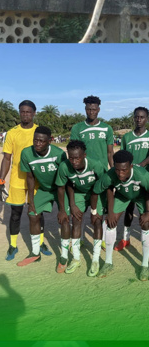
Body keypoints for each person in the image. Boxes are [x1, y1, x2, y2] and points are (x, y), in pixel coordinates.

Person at [0, 100, 49, 261]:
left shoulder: (39, 132)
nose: (25, 114)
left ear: (34, 113)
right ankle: (13, 245)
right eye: (22, 112)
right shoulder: (12, 133)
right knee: (15, 214)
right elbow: (7, 158)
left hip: (37, 180)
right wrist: (0, 180)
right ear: (19, 113)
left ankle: (40, 243)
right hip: (18, 180)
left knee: (37, 213)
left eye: (28, 112)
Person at [17, 126, 69, 269]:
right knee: (32, 214)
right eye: (35, 140)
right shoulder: (27, 153)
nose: (37, 144)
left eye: (41, 141)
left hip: (60, 189)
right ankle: (35, 253)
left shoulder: (59, 154)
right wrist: (31, 202)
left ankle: (64, 255)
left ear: (50, 141)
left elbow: (66, 179)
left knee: (64, 218)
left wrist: (63, 208)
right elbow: (30, 178)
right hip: (45, 189)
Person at [93, 150, 149, 280]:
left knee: (146, 224)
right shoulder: (111, 174)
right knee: (109, 223)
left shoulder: (143, 175)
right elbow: (99, 189)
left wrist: (147, 212)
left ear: (131, 166)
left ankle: (145, 265)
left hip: (141, 196)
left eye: (124, 170)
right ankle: (108, 263)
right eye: (117, 170)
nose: (120, 173)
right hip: (122, 196)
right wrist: (110, 212)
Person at [55, 140, 104, 276]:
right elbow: (62, 187)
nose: (74, 161)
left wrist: (95, 210)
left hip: (96, 193)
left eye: (77, 158)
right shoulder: (65, 166)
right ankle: (76, 258)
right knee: (76, 221)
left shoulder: (96, 165)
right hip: (79, 194)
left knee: (97, 221)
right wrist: (69, 206)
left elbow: (103, 184)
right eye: (71, 158)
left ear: (84, 156)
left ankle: (95, 260)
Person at [117, 107, 149, 252]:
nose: (139, 120)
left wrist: (141, 165)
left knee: (145, 213)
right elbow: (122, 155)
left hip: (145, 179)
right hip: (129, 179)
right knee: (129, 209)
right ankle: (126, 238)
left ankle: (146, 243)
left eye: (142, 117)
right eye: (136, 117)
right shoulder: (127, 137)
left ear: (146, 119)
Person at [70, 95, 113, 169]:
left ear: (98, 110)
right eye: (88, 109)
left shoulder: (106, 128)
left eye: (94, 109)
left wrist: (113, 169)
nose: (91, 112)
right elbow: (74, 151)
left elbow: (110, 152)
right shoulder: (77, 128)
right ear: (85, 109)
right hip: (84, 170)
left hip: (102, 170)